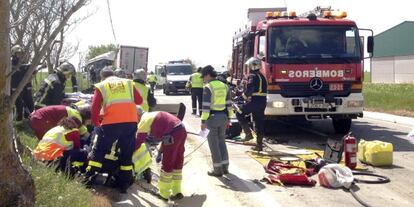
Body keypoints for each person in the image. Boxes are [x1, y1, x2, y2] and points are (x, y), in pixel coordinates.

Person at [84, 66, 142, 193]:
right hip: (130, 122)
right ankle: (123, 186)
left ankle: (88, 181)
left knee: (98, 151)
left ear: (102, 77)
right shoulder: (128, 83)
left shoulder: (102, 85)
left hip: (110, 123)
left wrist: (96, 124)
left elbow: (94, 108)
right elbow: (139, 100)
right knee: (126, 155)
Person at [136, 108, 187, 201]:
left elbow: (138, 141)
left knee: (167, 163)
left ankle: (164, 194)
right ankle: (177, 191)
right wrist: (160, 152)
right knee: (177, 162)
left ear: (137, 116)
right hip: (181, 129)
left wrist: (128, 151)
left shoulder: (144, 120)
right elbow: (166, 133)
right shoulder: (152, 115)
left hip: (173, 134)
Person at [200, 65, 233, 177]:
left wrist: (203, 121)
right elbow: (229, 104)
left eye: (203, 77)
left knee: (214, 145)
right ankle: (225, 167)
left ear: (208, 75)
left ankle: (217, 170)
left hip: (212, 118)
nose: (203, 79)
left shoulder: (208, 87)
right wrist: (229, 118)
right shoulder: (225, 86)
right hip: (223, 117)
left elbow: (206, 106)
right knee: (221, 142)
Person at [236, 57, 268, 151]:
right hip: (262, 101)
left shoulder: (252, 76)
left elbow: (250, 90)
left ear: (252, 66)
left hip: (255, 101)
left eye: (249, 66)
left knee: (239, 112)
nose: (248, 68)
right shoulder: (263, 76)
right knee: (259, 122)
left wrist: (241, 98)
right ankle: (259, 145)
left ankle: (248, 134)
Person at [11, 45, 34, 121]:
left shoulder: (25, 65)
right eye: (18, 53)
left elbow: (30, 72)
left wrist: (34, 68)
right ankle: (19, 121)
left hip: (25, 87)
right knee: (19, 105)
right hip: (15, 88)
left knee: (29, 102)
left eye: (22, 54)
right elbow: (16, 68)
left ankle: (29, 120)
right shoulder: (10, 64)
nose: (20, 55)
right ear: (14, 54)